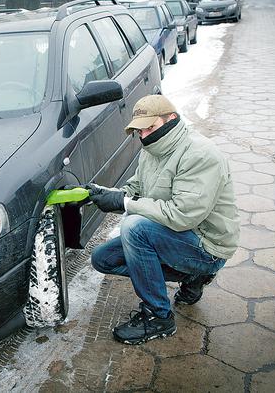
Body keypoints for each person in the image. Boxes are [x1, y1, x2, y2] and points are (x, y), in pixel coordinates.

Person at [86, 94, 239, 345]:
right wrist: (101, 194)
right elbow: (136, 188)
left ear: (172, 119)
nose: (144, 136)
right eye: (140, 130)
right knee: (102, 259)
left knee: (135, 229)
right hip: (177, 238)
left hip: (207, 245)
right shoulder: (154, 150)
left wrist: (124, 204)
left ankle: (159, 317)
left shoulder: (200, 154)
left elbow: (181, 215)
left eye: (151, 127)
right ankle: (191, 276)